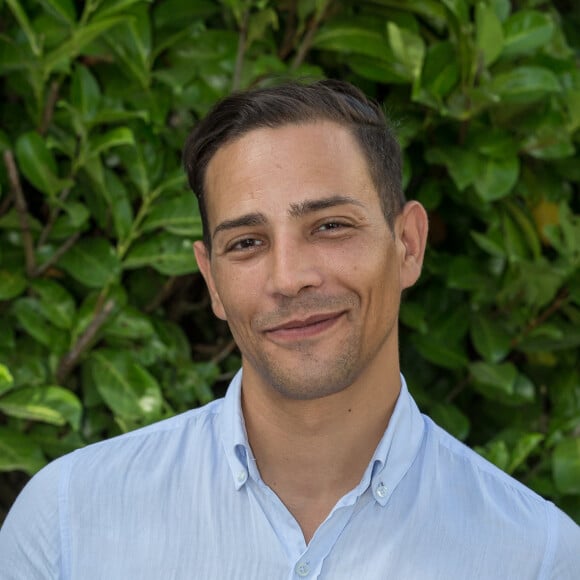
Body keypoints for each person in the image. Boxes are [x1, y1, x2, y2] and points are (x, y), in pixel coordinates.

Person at [1, 79, 579, 579]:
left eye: (330, 226)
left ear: (408, 244)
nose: (290, 277)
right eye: (247, 243)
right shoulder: (69, 519)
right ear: (212, 280)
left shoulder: (539, 558)